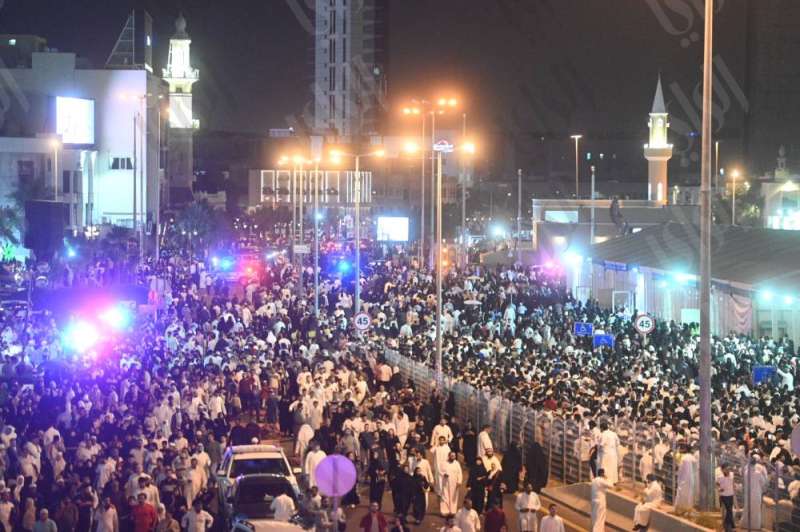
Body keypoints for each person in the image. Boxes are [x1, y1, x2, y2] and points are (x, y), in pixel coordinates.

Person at [740, 455, 768, 531]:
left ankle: (745, 524)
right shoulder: (758, 473)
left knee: (747, 508)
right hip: (757, 493)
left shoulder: (746, 472)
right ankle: (755, 526)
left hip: (748, 493)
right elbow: (763, 483)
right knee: (756, 510)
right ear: (755, 463)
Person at [674, 446, 697, 514]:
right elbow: (695, 470)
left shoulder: (684, 458)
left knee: (681, 493)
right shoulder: (693, 458)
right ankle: (688, 509)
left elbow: (680, 469)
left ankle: (680, 509)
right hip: (691, 479)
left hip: (683, 478)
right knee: (690, 494)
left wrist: (678, 476)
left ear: (686, 450)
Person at [440, 451, 463, 517]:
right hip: (446, 482)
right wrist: (444, 474)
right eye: (452, 455)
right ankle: (445, 511)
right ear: (449, 456)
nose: (453, 457)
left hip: (454, 483)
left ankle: (452, 511)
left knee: (454, 497)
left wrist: (459, 481)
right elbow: (440, 471)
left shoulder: (457, 463)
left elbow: (459, 473)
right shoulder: (444, 463)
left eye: (454, 456)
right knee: (445, 496)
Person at [716, 463, 735, 532]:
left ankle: (728, 525)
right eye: (726, 469)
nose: (728, 470)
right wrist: (719, 489)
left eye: (729, 469)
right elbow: (717, 484)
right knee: (729, 510)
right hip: (724, 496)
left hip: (731, 494)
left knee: (730, 511)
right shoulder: (720, 477)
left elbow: (733, 483)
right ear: (722, 470)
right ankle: (729, 525)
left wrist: (735, 487)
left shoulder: (732, 474)